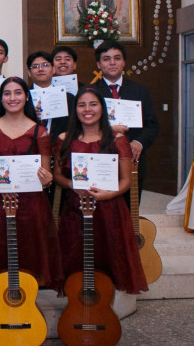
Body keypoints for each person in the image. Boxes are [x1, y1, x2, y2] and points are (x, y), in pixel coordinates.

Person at [53, 87, 148, 294]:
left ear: (102, 109)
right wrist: (72, 185)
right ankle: (78, 306)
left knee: (109, 260)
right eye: (82, 105)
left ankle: (105, 308)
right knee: (75, 262)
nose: (87, 109)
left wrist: (109, 194)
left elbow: (126, 180)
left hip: (109, 212)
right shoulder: (64, 139)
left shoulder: (116, 139)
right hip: (74, 213)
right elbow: (58, 176)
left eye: (93, 104)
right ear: (75, 110)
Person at [0, 77, 63, 292]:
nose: (12, 97)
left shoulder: (40, 132)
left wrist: (47, 179)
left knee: (29, 246)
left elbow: (46, 173)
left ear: (26, 97)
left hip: (31, 203)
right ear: (1, 98)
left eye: (18, 92)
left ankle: (28, 288)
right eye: (7, 93)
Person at [89, 40, 158, 197]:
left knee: (129, 216)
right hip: (100, 161)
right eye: (106, 59)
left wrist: (139, 142)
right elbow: (80, 127)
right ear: (99, 64)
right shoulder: (90, 92)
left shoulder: (140, 91)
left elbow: (152, 125)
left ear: (124, 62)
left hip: (133, 163)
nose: (112, 63)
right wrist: (107, 130)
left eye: (117, 58)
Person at [26, 50, 75, 141]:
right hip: (30, 149)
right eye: (35, 66)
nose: (40, 69)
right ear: (29, 72)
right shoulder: (23, 97)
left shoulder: (68, 98)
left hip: (60, 148)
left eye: (45, 65)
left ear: (53, 69)